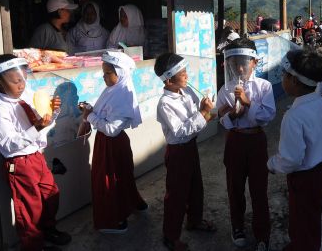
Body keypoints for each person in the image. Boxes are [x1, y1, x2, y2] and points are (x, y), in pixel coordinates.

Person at [0, 54, 71, 251]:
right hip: (20, 163)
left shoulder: (25, 97)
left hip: (36, 157)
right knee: (29, 206)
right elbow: (9, 144)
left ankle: (48, 229)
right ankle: (33, 245)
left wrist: (52, 111)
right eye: (16, 81)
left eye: (24, 78)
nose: (22, 85)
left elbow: (44, 122)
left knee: (51, 194)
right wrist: (37, 129)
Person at [267, 49, 322, 251]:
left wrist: (272, 164)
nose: (282, 79)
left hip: (304, 180)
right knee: (312, 219)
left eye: (284, 75)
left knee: (301, 225)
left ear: (294, 81)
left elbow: (291, 160)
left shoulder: (294, 116)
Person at [217, 39, 276, 251]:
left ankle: (262, 232)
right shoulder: (225, 89)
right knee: (235, 186)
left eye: (244, 62)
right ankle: (237, 226)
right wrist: (233, 114)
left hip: (256, 139)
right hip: (235, 140)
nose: (240, 67)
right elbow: (221, 119)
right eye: (234, 63)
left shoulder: (264, 86)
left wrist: (248, 102)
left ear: (254, 62)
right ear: (229, 64)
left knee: (259, 188)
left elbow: (268, 116)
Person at [154, 53, 217, 251]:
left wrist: (205, 111)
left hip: (190, 148)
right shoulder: (165, 103)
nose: (186, 76)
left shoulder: (186, 91)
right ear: (169, 79)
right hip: (178, 152)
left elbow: (197, 118)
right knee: (177, 194)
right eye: (182, 74)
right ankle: (170, 236)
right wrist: (203, 113)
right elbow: (181, 131)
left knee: (195, 187)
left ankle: (194, 220)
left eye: (186, 71)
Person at [80, 51, 148, 234]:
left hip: (111, 144)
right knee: (122, 175)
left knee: (108, 180)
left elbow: (111, 129)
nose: (104, 77)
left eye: (108, 73)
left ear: (121, 73)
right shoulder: (113, 90)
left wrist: (90, 116)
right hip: (110, 143)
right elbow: (106, 115)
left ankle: (113, 219)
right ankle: (133, 204)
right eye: (103, 73)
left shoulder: (123, 96)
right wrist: (92, 111)